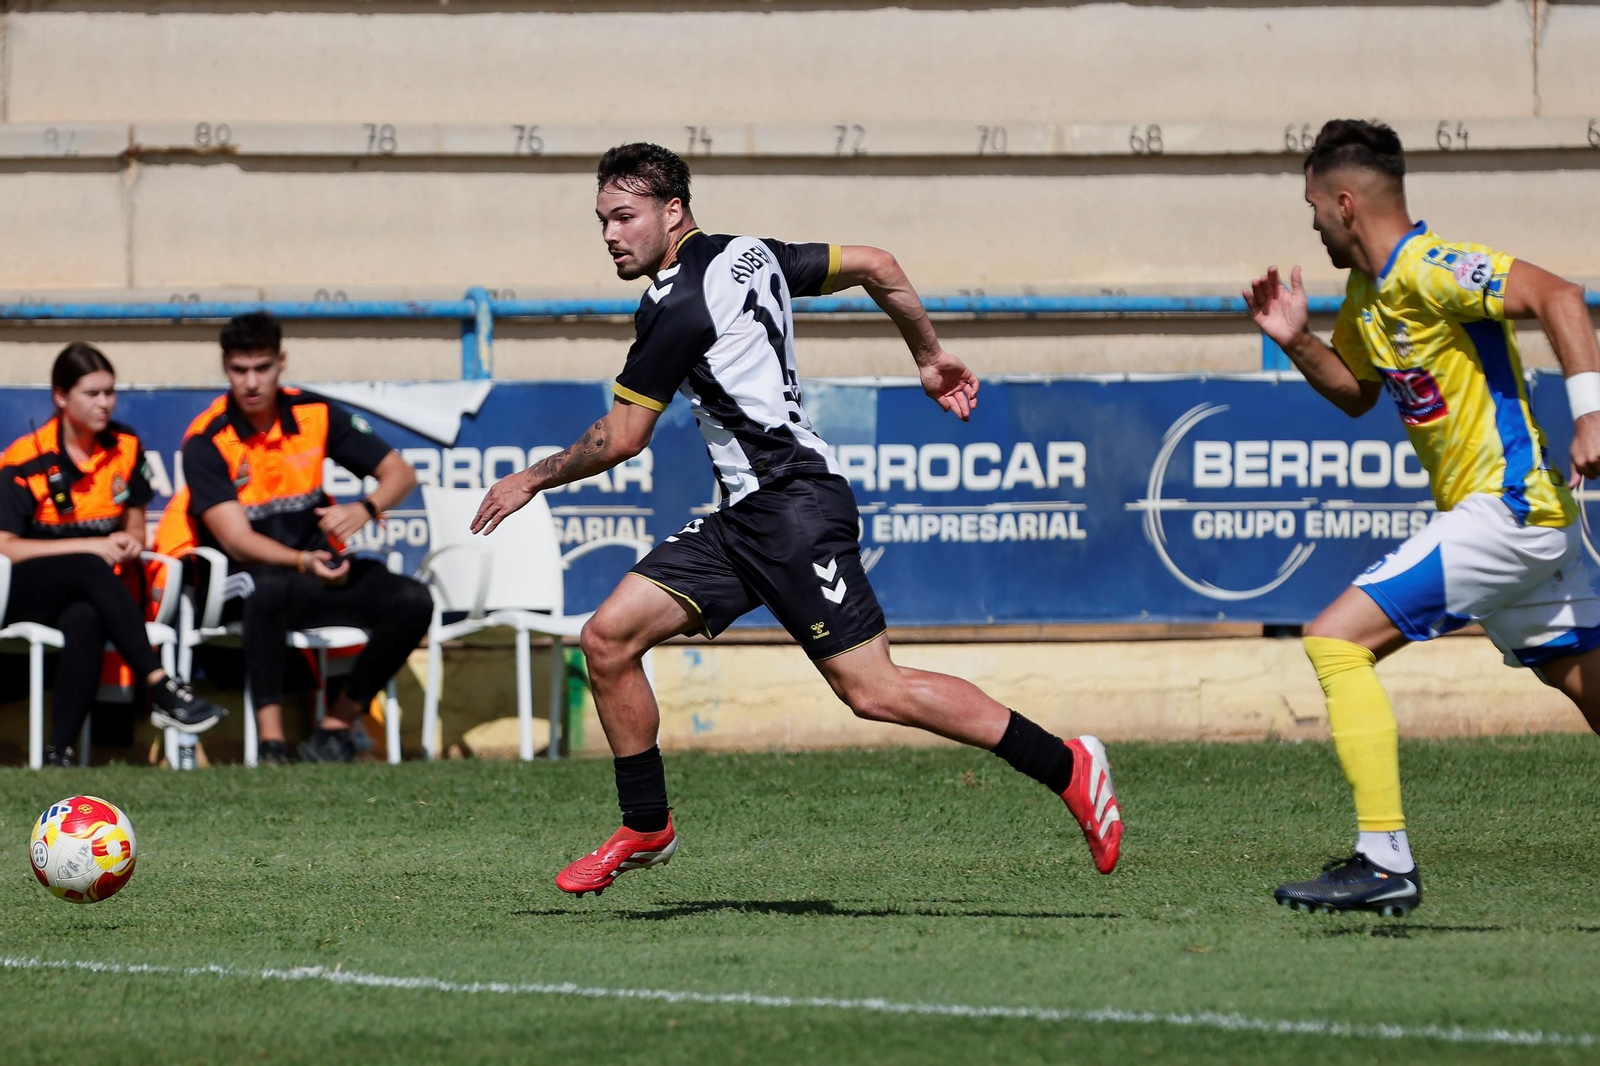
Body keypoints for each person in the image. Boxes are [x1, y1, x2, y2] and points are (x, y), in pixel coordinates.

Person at [473, 143, 1124, 896]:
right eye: (602, 220)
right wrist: (931, 355)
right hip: (745, 516)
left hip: (793, 506)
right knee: (608, 638)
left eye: (625, 216)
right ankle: (646, 825)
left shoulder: (674, 306)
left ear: (672, 210)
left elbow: (622, 438)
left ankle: (1068, 764)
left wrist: (531, 477)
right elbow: (878, 263)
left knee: (873, 690)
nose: (611, 235)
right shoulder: (755, 253)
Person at [1244, 120, 1600, 917]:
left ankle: (1384, 859)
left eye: (1312, 206)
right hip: (1517, 525)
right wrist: (1298, 341)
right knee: (1588, 688)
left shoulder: (1433, 269)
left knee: (1336, 640)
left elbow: (1559, 295)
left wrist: (1592, 415)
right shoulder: (1370, 298)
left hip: (1508, 511)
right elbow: (1357, 393)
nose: (1309, 222)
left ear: (1345, 203)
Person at [153, 313, 433, 764]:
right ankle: (272, 744)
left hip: (314, 571)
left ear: (281, 362)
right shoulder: (206, 439)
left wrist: (363, 509)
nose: (251, 382)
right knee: (266, 589)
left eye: (261, 367)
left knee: (414, 600)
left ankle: (336, 726)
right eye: (239, 370)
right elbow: (237, 540)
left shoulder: (314, 413)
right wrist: (304, 561)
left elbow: (399, 473)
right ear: (225, 367)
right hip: (242, 578)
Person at [1, 343, 226, 765]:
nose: (104, 403)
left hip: (88, 591)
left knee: (85, 617)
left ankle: (59, 754)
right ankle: (160, 685)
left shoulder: (125, 445)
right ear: (61, 396)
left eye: (109, 392)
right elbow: (6, 547)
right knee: (89, 566)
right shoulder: (25, 460)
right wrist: (92, 546)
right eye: (92, 393)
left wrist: (133, 539)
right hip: (25, 592)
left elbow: (136, 520)